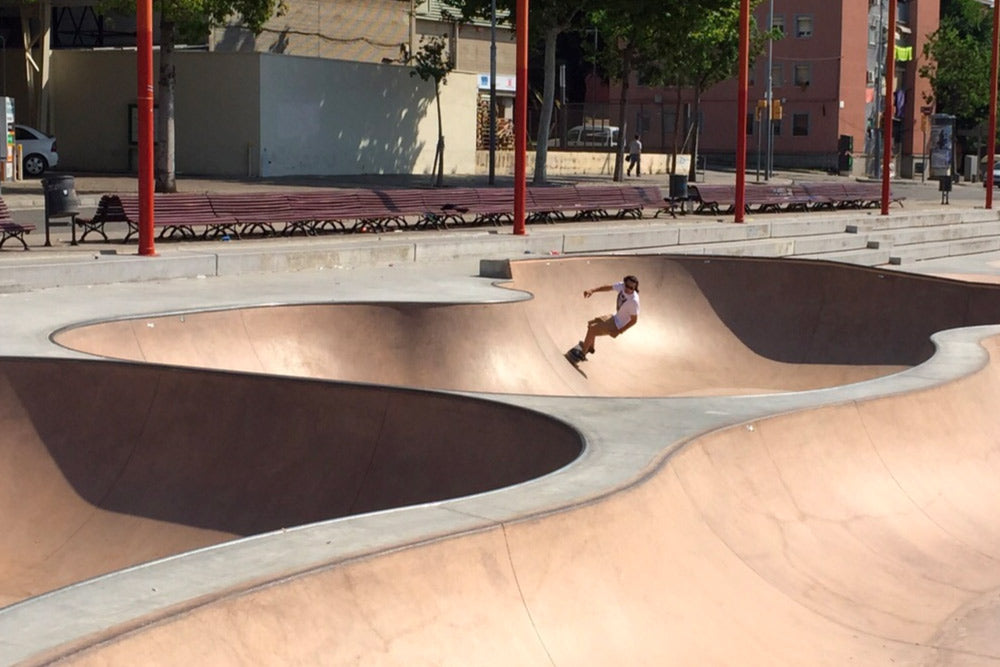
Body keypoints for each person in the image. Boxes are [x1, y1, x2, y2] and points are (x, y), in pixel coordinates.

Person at [571, 275, 640, 362]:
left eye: (631, 288)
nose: (628, 289)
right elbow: (608, 288)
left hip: (617, 325)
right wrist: (593, 290)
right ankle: (590, 347)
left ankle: (582, 354)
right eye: (627, 286)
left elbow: (634, 320)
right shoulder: (622, 286)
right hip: (614, 317)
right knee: (591, 325)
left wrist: (619, 331)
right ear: (625, 283)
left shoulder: (634, 301)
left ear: (635, 288)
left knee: (592, 330)